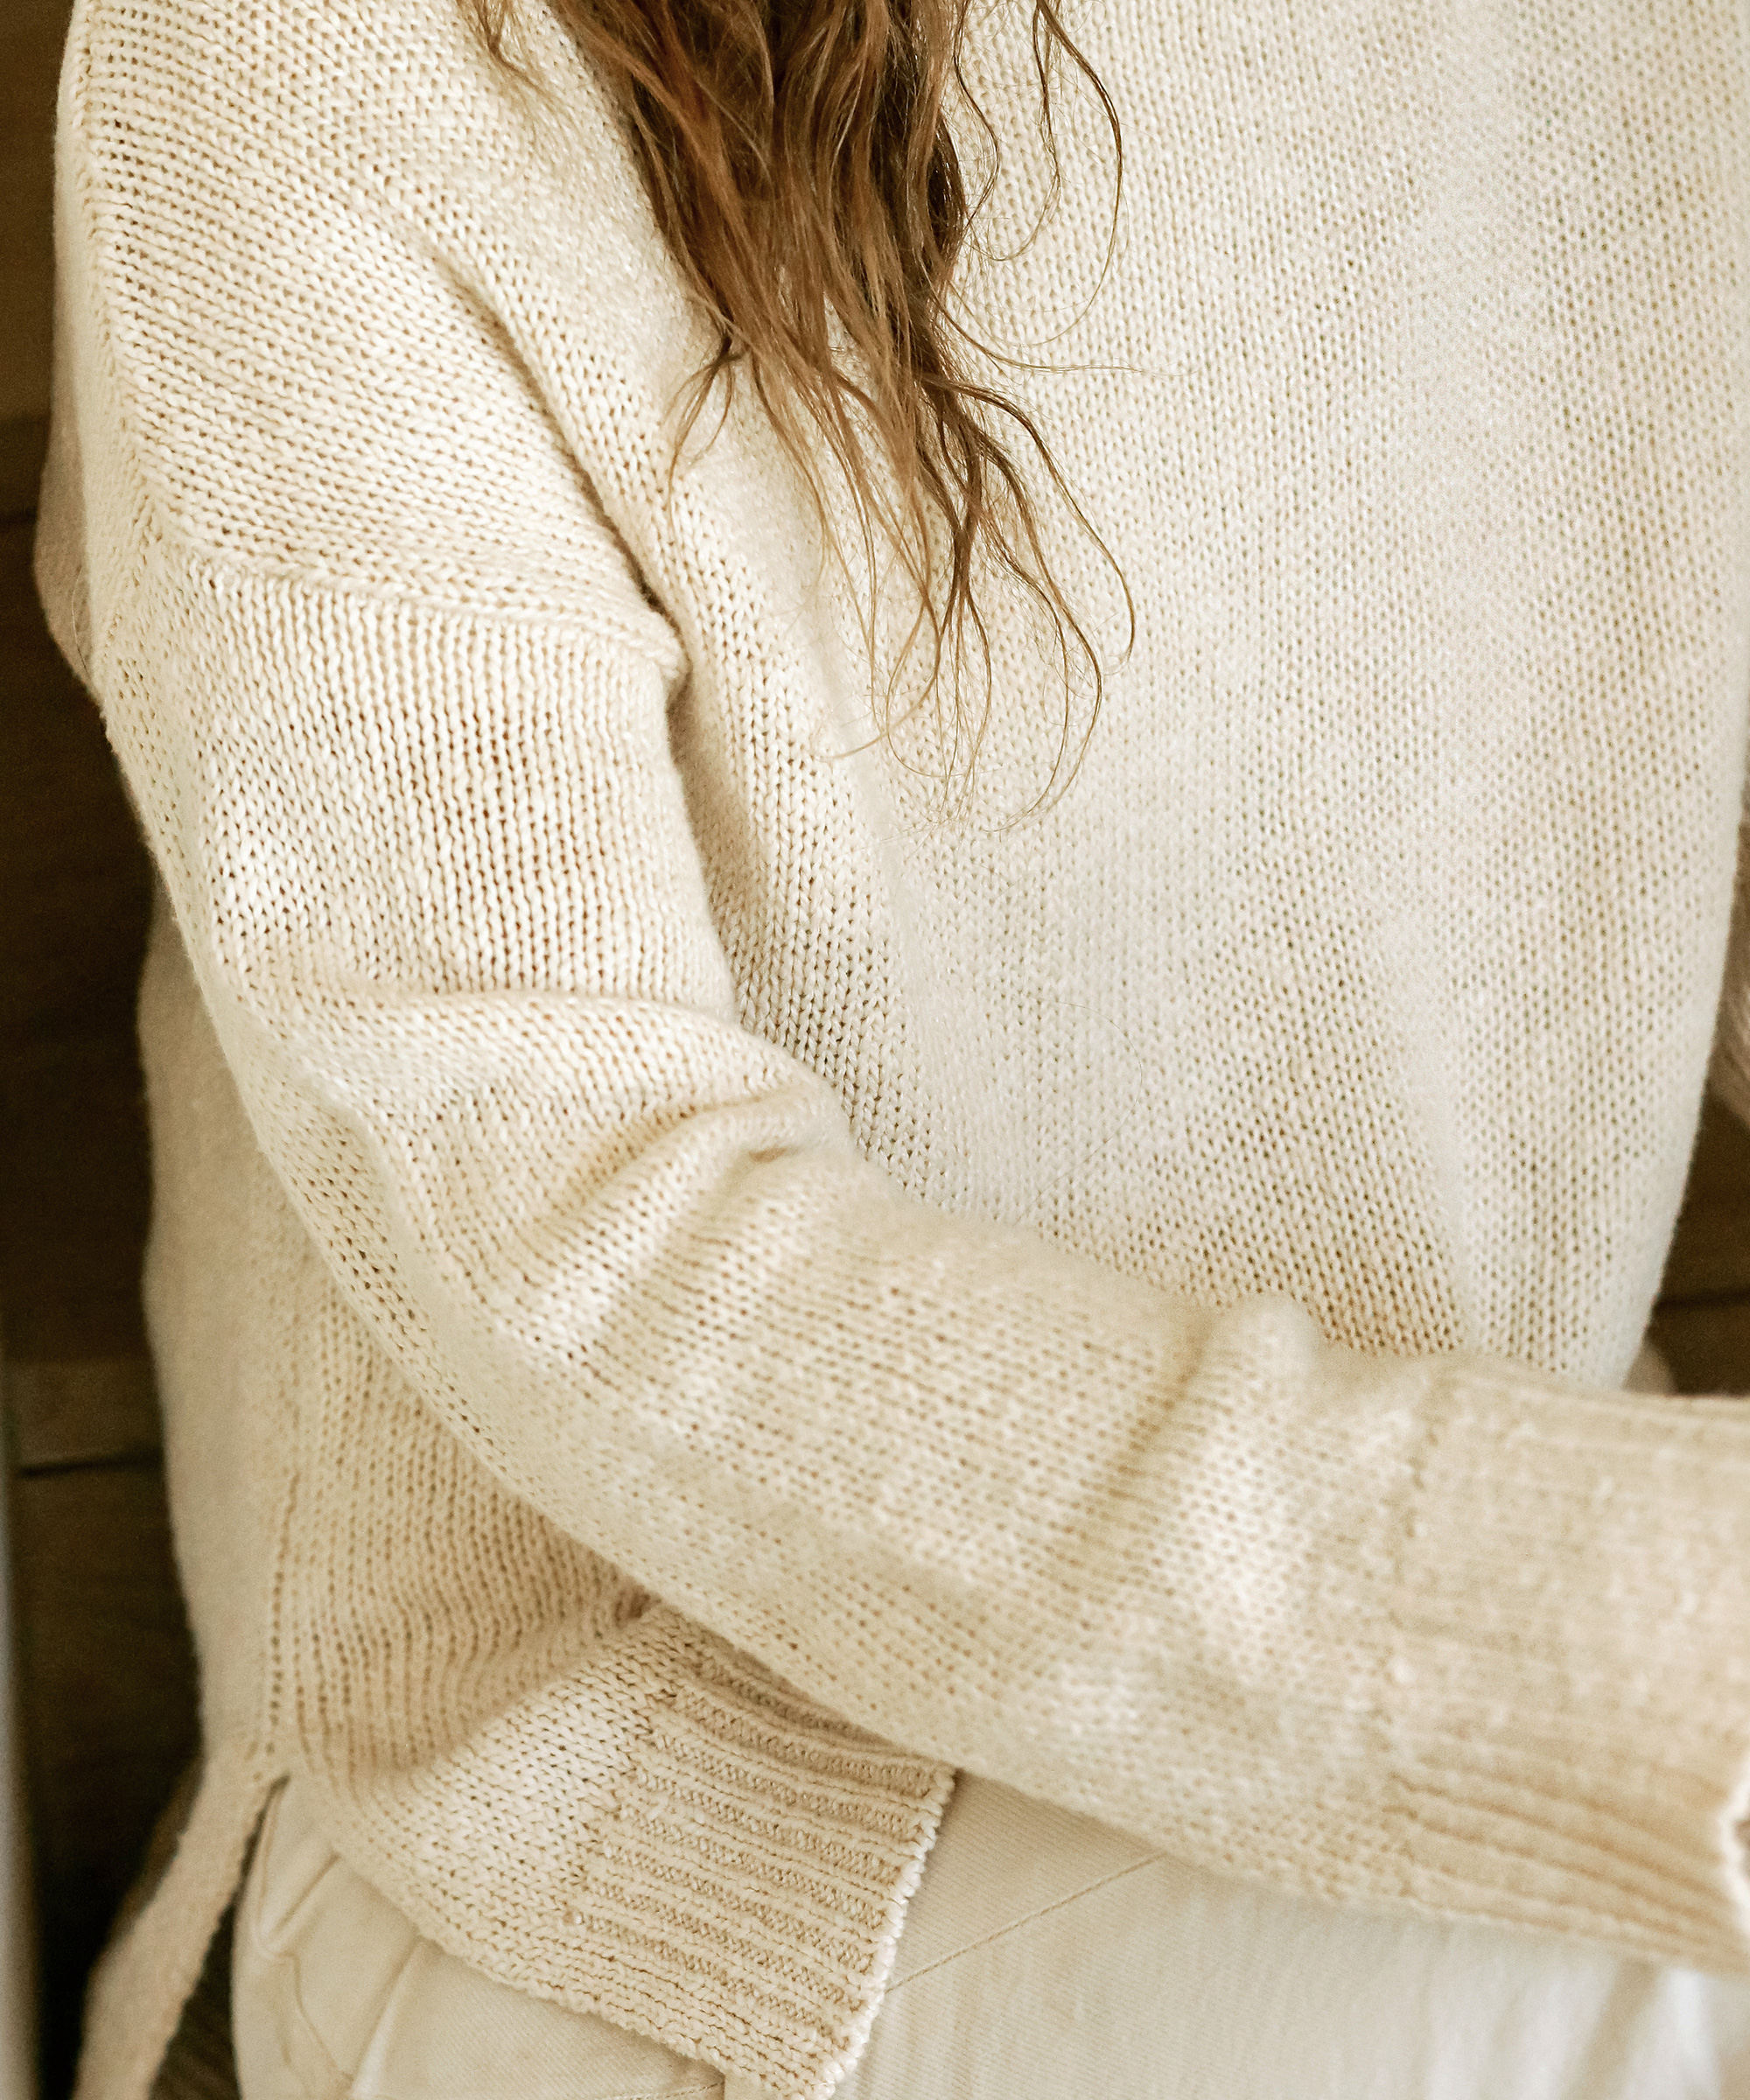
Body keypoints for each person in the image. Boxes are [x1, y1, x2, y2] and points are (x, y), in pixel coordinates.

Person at [33, 0, 1750, 2094]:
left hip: (1514, 1705)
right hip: (647, 1828)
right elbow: (593, 1250)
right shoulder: (308, 59)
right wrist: (1652, 1654)